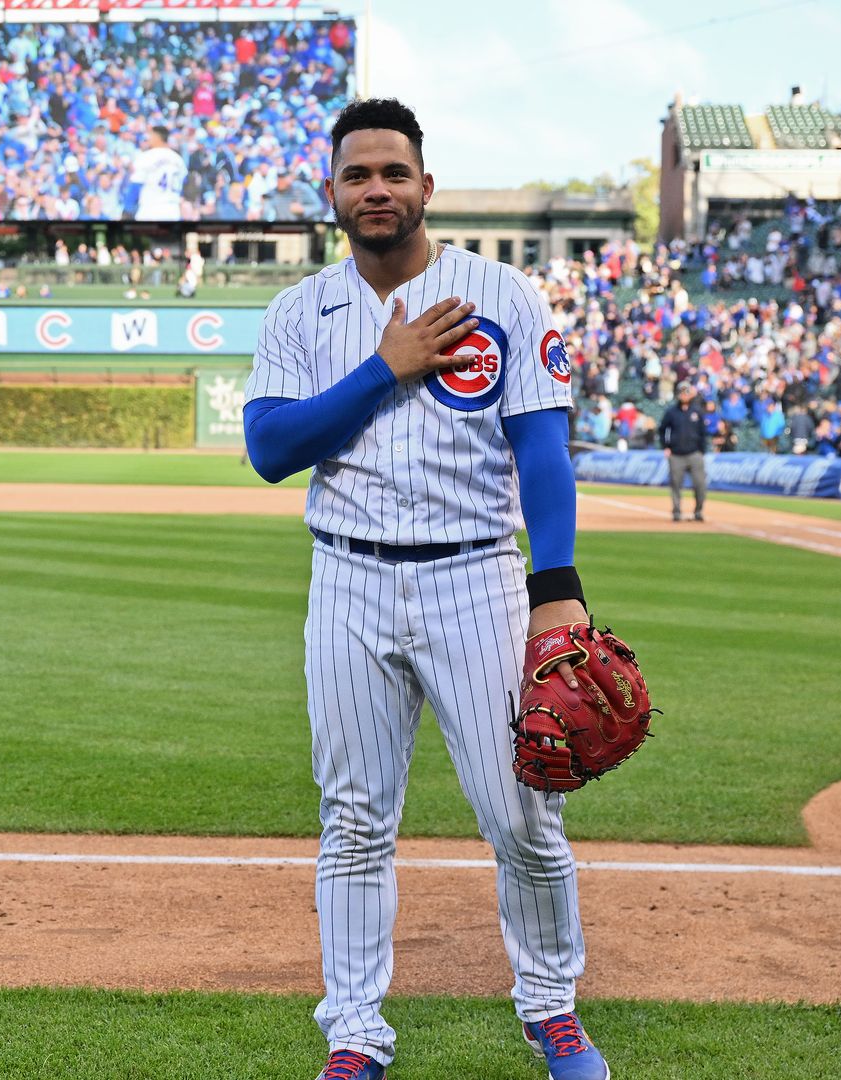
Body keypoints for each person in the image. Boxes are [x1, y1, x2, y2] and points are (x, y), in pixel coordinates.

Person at [242, 98, 608, 1080]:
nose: (376, 190)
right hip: (348, 580)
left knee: (522, 814)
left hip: (474, 578)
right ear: (332, 192)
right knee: (356, 820)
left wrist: (558, 586)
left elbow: (544, 453)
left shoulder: (503, 296)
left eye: (393, 173)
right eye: (358, 175)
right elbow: (270, 450)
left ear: (425, 187)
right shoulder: (299, 311)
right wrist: (384, 369)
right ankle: (356, 1033)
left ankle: (552, 1009)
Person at [659, 382, 710, 522]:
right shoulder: (671, 412)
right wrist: (666, 446)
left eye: (686, 392)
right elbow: (662, 429)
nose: (684, 395)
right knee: (675, 484)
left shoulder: (697, 411)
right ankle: (676, 511)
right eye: (681, 392)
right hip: (676, 454)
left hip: (694, 453)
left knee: (700, 484)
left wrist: (702, 451)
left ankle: (698, 511)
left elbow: (703, 433)